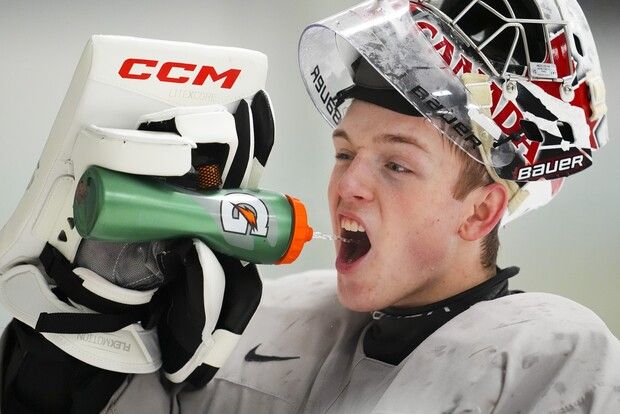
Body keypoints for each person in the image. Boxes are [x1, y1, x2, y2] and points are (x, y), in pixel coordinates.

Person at [1, 1, 619, 413]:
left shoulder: (542, 353)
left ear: (481, 213)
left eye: (397, 164)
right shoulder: (283, 322)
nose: (348, 184)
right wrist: (94, 334)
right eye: (344, 152)